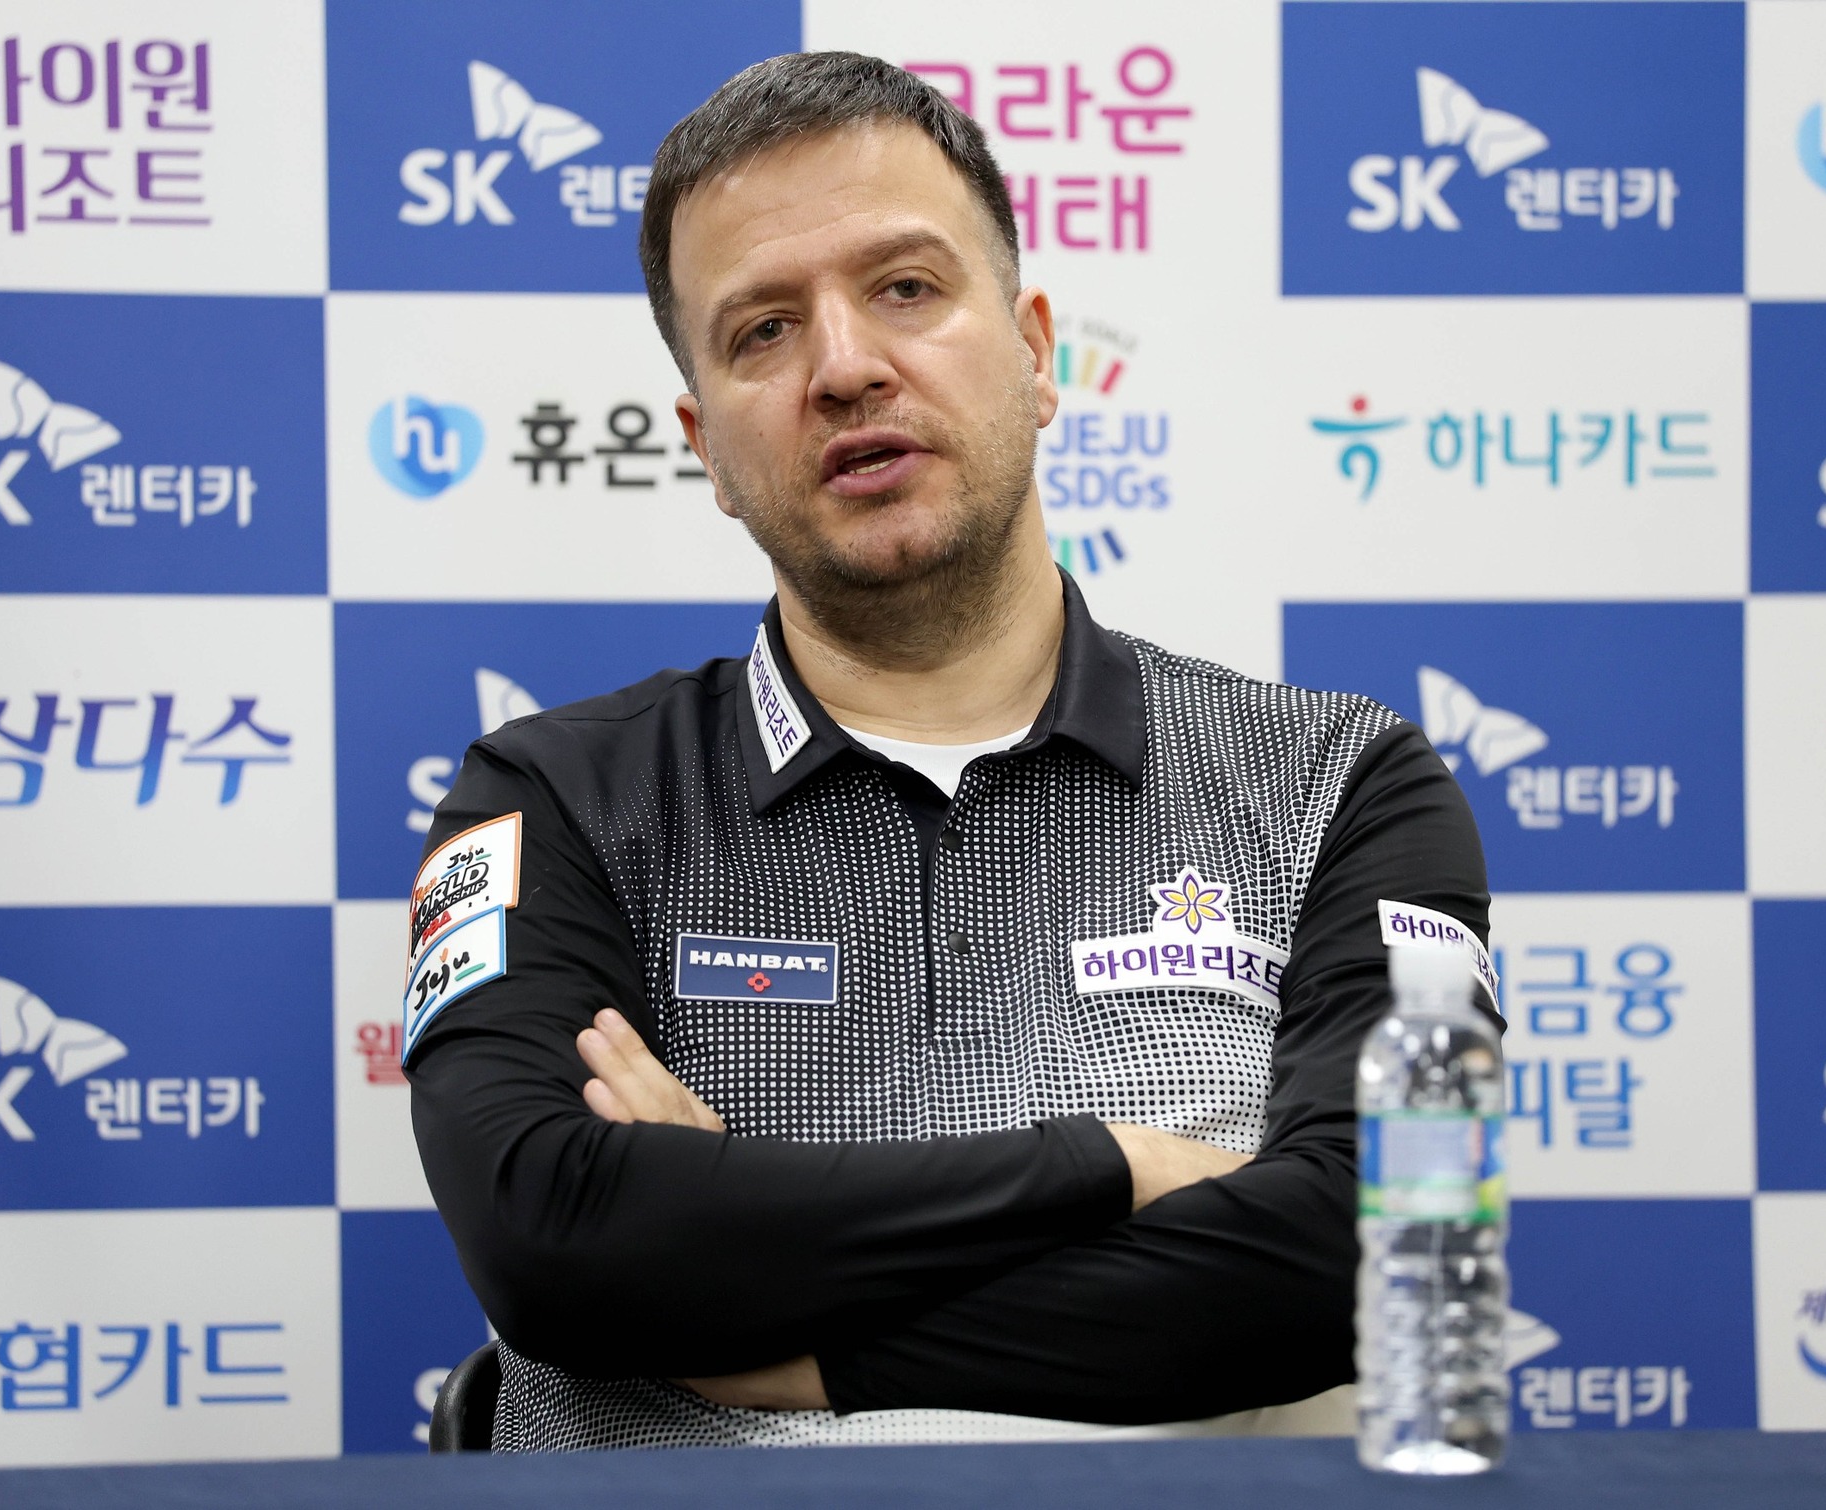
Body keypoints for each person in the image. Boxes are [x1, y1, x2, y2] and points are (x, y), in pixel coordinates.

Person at [405, 50, 1496, 1452]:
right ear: (707, 448)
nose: (846, 366)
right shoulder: (551, 799)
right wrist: (1117, 1167)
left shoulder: (1345, 782)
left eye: (907, 289)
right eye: (763, 331)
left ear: (1036, 354)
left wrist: (795, 1331)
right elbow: (553, 1240)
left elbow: (1395, 1244)